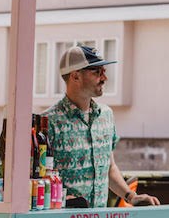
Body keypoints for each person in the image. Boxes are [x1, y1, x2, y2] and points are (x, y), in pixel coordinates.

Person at [44, 44, 160, 208]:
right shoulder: (47, 122)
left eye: (104, 72)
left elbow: (109, 167)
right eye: (97, 72)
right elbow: (35, 178)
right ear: (75, 76)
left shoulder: (106, 115)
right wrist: (60, 201)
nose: (104, 78)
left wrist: (131, 197)